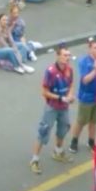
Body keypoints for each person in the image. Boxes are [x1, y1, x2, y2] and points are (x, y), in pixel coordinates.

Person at [29, 46, 73, 175]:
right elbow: (44, 92)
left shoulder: (69, 70)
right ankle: (34, 160)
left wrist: (70, 96)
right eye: (65, 55)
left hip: (64, 107)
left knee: (63, 129)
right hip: (52, 107)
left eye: (68, 55)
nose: (67, 58)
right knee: (43, 132)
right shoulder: (51, 72)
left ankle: (58, 152)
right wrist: (61, 98)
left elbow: (71, 85)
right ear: (58, 56)